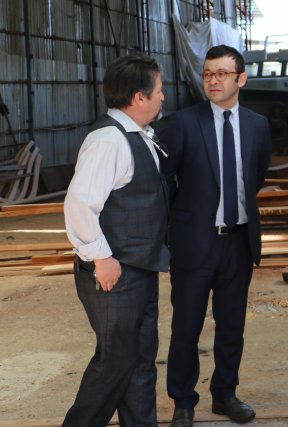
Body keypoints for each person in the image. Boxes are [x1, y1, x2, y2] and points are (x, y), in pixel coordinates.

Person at [159, 45, 272, 427]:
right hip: (194, 242)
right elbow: (164, 179)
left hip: (238, 241)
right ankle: (183, 401)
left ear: (241, 79)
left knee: (232, 326)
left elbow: (256, 177)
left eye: (222, 74)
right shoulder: (182, 123)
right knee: (186, 326)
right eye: (208, 74)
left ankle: (225, 394)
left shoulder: (257, 125)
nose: (213, 80)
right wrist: (180, 222)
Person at [62, 54, 169, 427]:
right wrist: (101, 259)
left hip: (139, 267)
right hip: (115, 272)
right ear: (139, 97)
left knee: (140, 360)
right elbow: (80, 203)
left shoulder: (137, 134)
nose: (163, 97)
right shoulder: (109, 140)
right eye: (159, 90)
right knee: (115, 363)